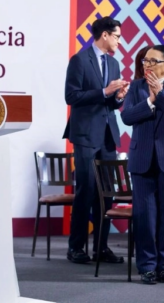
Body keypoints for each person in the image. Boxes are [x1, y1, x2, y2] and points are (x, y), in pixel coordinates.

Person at [121, 45, 164, 285]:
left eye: (153, 61)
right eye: (145, 61)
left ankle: (163, 265)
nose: (147, 65)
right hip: (142, 159)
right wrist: (150, 100)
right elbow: (127, 116)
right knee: (144, 216)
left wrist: (160, 94)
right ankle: (147, 267)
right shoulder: (136, 87)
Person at [63, 16, 129, 265]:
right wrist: (104, 91)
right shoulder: (79, 60)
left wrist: (119, 97)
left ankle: (101, 247)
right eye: (117, 36)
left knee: (106, 193)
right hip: (85, 134)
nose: (119, 42)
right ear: (105, 35)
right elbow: (71, 96)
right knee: (86, 190)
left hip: (107, 136)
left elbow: (111, 103)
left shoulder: (113, 64)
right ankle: (76, 247)